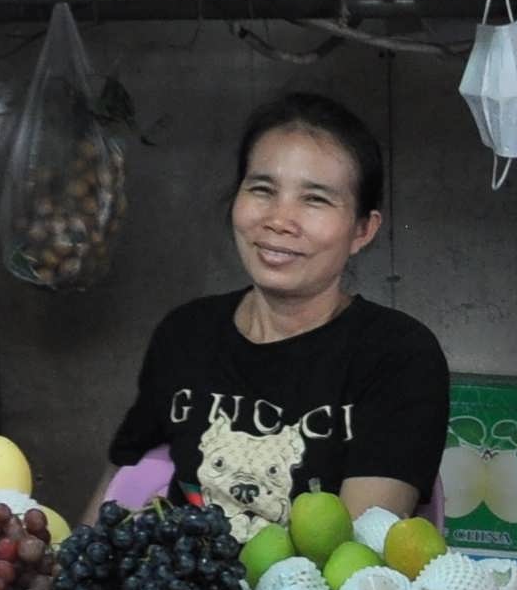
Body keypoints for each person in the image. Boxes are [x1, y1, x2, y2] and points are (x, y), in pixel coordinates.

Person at [94, 93, 450, 543]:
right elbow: (120, 485)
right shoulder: (186, 334)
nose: (280, 220)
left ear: (363, 230)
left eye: (315, 199)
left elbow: (359, 557)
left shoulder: (398, 356)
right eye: (262, 189)